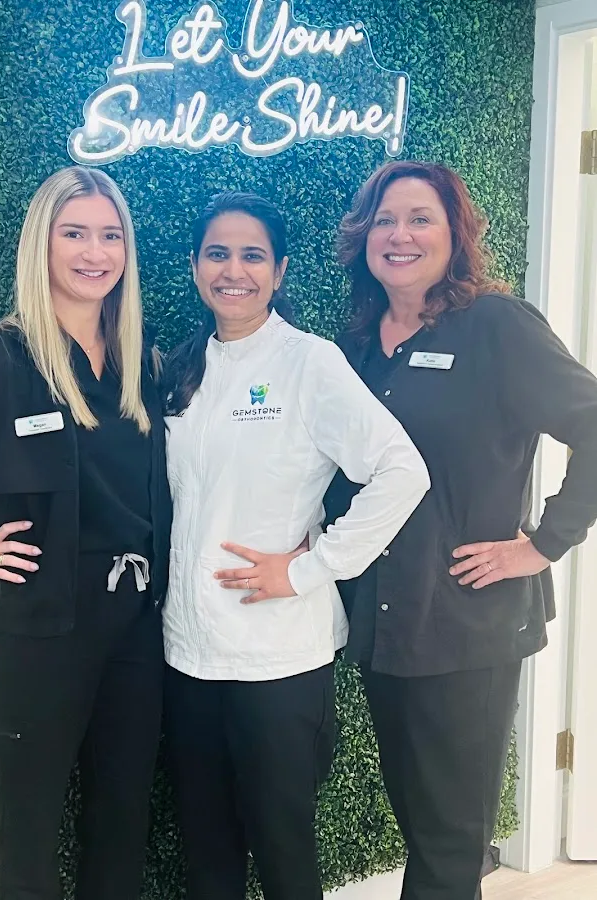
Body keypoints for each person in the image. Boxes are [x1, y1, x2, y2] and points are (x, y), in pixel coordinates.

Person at [325, 159, 597, 900]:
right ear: (363, 237)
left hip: (467, 622)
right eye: (384, 220)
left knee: (449, 844)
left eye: (421, 219)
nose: (400, 234)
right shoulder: (356, 348)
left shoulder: (496, 326)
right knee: (424, 828)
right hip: (384, 622)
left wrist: (543, 544)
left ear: (455, 235)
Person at [161, 190, 430, 900]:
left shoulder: (309, 363)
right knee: (207, 852)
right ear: (194, 266)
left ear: (279, 272)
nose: (233, 271)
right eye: (217, 254)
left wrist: (314, 567)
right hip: (187, 653)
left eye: (253, 256)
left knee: (284, 854)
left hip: (278, 657)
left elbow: (402, 471)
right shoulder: (182, 369)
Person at [0, 166, 171, 900]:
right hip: (32, 635)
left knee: (121, 822)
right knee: (27, 837)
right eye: (74, 233)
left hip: (135, 629)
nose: (95, 253)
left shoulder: (141, 361)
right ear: (43, 244)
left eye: (110, 235)